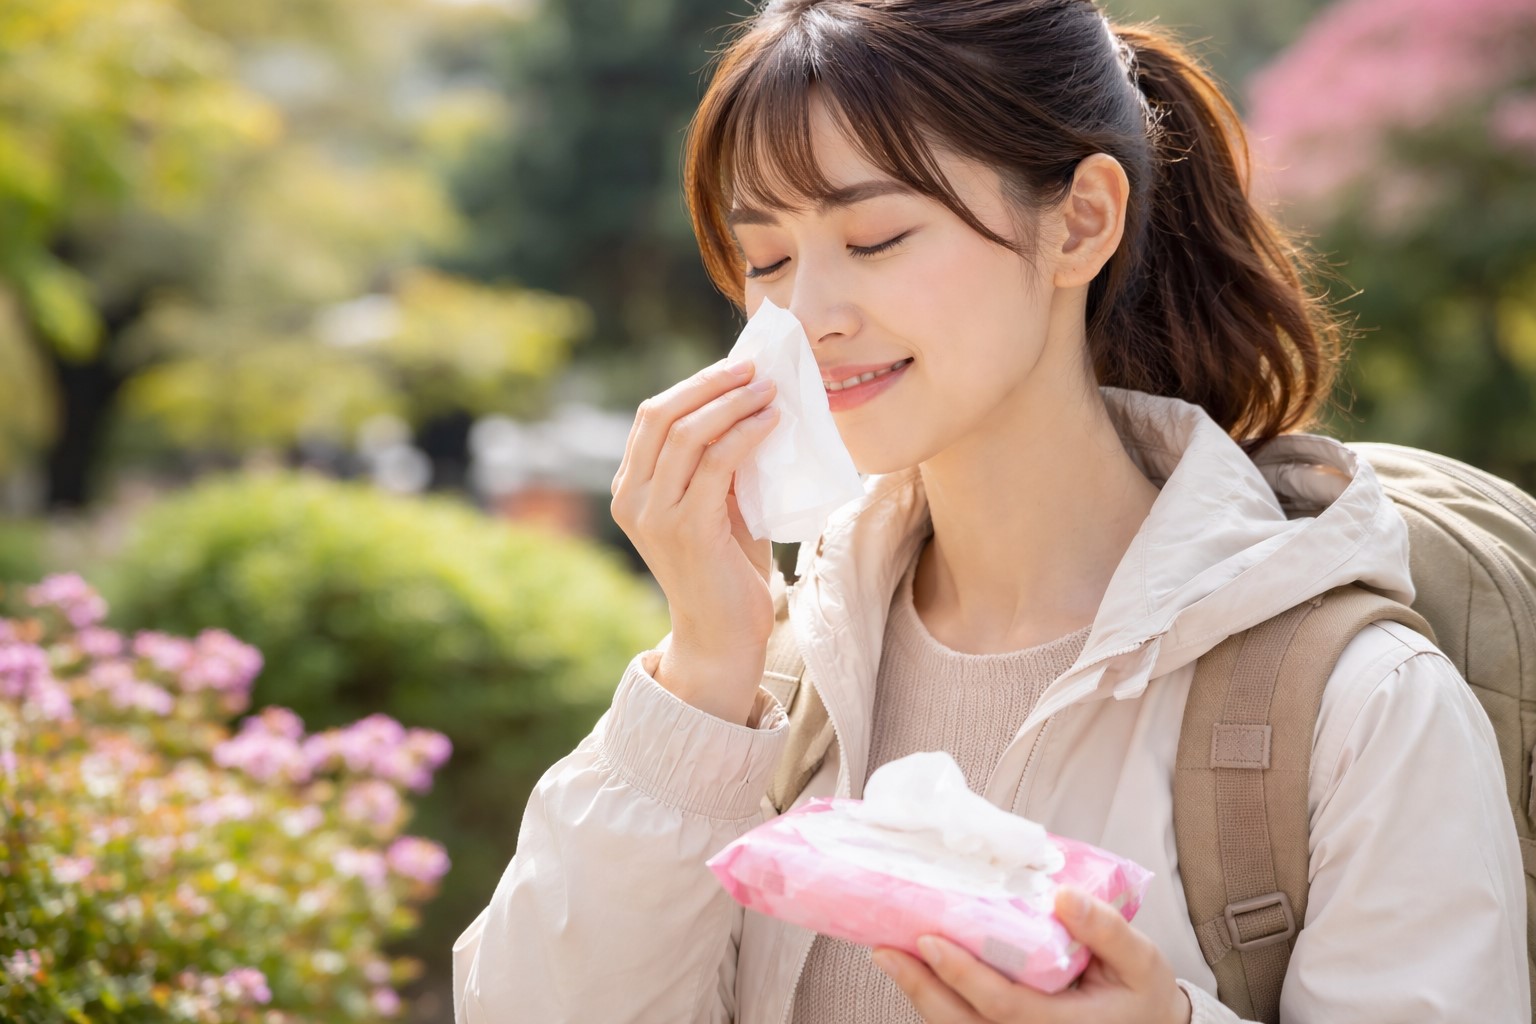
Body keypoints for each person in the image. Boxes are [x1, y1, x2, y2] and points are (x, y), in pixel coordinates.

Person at [451, 1, 1528, 1021]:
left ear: (1081, 223)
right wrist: (700, 672)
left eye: (874, 239)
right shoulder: (781, 676)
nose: (806, 314)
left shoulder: (1356, 704)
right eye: (767, 258)